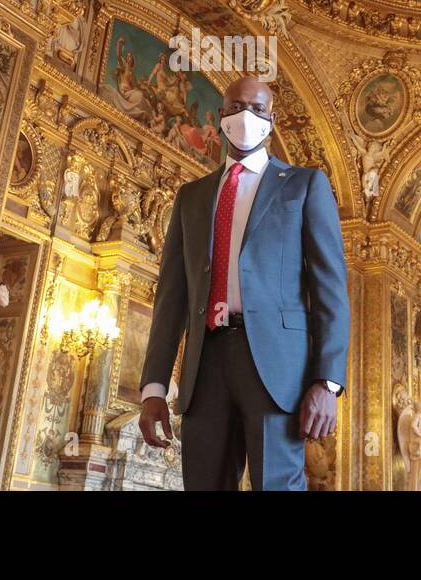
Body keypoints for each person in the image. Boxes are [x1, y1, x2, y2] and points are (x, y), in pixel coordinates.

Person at [138, 75, 350, 490]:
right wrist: (154, 388)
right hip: (205, 365)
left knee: (276, 485)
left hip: (277, 369)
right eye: (236, 107)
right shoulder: (192, 197)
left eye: (256, 108)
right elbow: (171, 297)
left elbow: (330, 290)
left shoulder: (305, 185)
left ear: (271, 118)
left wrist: (327, 381)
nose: (245, 116)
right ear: (221, 117)